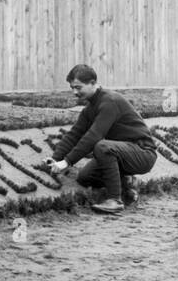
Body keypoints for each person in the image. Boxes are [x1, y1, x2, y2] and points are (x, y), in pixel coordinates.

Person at [45, 65, 158, 216]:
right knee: (85, 177)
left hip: (143, 153)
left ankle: (115, 201)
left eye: (78, 87)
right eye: (72, 88)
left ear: (93, 83)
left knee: (102, 147)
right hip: (123, 152)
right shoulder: (89, 109)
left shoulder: (109, 101)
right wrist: (55, 158)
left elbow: (94, 135)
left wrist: (67, 162)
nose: (75, 92)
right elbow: (74, 134)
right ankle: (127, 187)